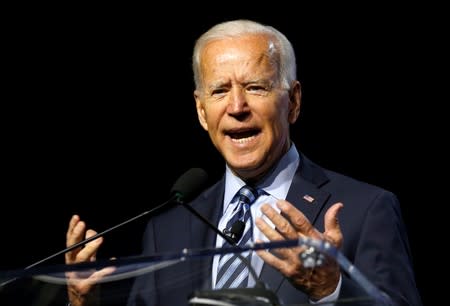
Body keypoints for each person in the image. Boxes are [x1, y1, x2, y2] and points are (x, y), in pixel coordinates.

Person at [65, 19, 422, 306]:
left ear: (293, 102)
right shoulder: (166, 231)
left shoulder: (365, 209)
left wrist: (329, 289)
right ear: (202, 112)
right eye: (219, 91)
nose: (236, 107)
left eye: (255, 87)